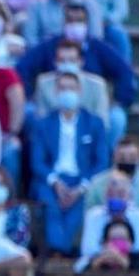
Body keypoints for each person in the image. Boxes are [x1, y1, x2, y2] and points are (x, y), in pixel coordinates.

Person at [29, 70, 107, 257]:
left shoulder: (94, 123)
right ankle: (60, 252)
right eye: (63, 88)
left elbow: (102, 161)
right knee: (50, 205)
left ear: (79, 91)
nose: (67, 93)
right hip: (51, 179)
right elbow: (37, 161)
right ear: (56, 92)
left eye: (71, 88)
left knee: (79, 208)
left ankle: (59, 252)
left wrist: (81, 187)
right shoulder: (44, 124)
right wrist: (55, 182)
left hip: (83, 180)